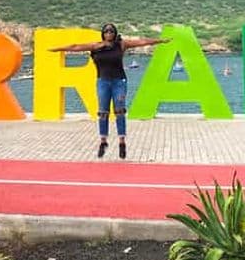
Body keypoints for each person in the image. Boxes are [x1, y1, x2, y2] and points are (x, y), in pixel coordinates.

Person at [50, 23, 168, 159]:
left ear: (115, 32)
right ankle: (103, 141)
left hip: (119, 82)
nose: (109, 33)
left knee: (119, 111)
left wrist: (160, 41)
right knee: (103, 112)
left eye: (111, 31)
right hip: (103, 82)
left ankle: (122, 142)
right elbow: (75, 47)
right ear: (103, 33)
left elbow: (141, 42)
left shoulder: (121, 45)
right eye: (106, 31)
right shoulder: (96, 46)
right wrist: (57, 49)